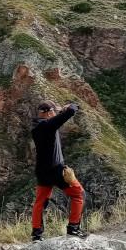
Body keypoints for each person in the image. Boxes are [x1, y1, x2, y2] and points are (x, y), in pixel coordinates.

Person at [30, 100, 87, 242]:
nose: (55, 113)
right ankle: (73, 228)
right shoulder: (49, 125)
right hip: (57, 170)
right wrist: (73, 105)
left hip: (42, 171)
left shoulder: (37, 127)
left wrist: (61, 110)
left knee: (40, 202)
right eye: (54, 111)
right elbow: (71, 112)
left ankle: (37, 235)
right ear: (49, 113)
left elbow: (57, 118)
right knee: (78, 194)